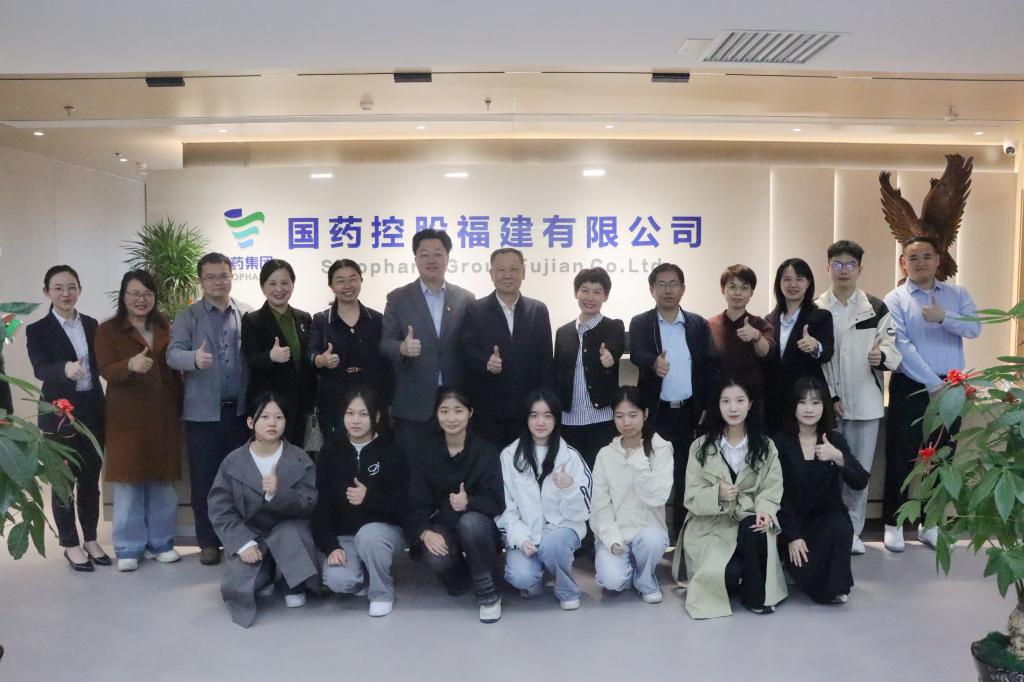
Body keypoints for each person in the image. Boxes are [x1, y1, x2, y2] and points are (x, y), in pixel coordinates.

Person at [882, 236, 980, 552]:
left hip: (951, 386)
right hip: (911, 386)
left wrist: (944, 318)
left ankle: (931, 524)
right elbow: (902, 346)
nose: (921, 262)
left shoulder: (957, 295)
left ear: (938, 260)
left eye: (927, 256)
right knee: (902, 455)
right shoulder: (895, 299)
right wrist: (931, 384)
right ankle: (894, 524)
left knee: (942, 456)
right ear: (903, 263)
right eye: (913, 258)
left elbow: (974, 328)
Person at [167, 252, 253, 566]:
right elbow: (172, 354)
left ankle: (239, 540)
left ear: (232, 277)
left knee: (241, 481)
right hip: (203, 415)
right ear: (201, 280)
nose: (218, 282)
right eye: (211, 277)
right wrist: (193, 358)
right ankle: (208, 542)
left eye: (223, 275)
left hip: (240, 413)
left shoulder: (247, 313)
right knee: (204, 482)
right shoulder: (188, 316)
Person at [815, 241, 901, 555]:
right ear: (828, 267)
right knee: (827, 470)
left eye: (850, 264)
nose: (843, 270)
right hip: (828, 407)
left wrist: (883, 356)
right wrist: (830, 397)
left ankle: (852, 531)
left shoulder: (875, 307)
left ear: (860, 269)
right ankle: (830, 528)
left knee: (858, 472)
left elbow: (892, 349)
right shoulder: (816, 309)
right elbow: (816, 361)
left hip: (866, 404)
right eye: (837, 264)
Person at [94, 270, 183, 572]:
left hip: (163, 416)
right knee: (129, 485)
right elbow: (105, 369)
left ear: (154, 297)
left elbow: (174, 371)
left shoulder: (164, 326)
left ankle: (162, 543)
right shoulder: (108, 330)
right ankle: (128, 547)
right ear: (123, 296)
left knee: (162, 484)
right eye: (134, 293)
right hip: (126, 420)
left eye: (147, 293)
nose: (141, 299)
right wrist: (129, 365)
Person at [207, 393, 319, 627]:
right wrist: (242, 543)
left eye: (278, 417)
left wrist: (279, 493)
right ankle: (266, 571)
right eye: (265, 417)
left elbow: (310, 503)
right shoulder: (233, 462)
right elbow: (220, 508)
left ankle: (293, 582)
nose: (272, 423)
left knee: (290, 533)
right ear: (251, 422)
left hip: (288, 531)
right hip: (251, 535)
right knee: (237, 586)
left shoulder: (300, 458)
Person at [26, 265, 108, 571]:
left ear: (79, 290)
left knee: (90, 480)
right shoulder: (37, 329)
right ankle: (70, 544)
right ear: (47, 292)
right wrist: (64, 369)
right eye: (58, 288)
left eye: (71, 287)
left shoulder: (91, 324)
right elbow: (39, 368)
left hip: (92, 411)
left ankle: (91, 539)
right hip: (58, 414)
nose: (66, 293)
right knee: (63, 482)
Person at [683, 377, 786, 618]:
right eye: (726, 401)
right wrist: (716, 495)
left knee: (757, 530)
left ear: (750, 404)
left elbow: (771, 488)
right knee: (724, 577)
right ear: (717, 405)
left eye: (740, 401)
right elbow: (691, 495)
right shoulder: (700, 447)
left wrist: (765, 510)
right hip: (711, 524)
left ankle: (756, 598)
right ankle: (736, 574)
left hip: (747, 515)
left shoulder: (766, 446)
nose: (733, 408)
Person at [404, 387, 505, 623]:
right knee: (435, 554)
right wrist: (424, 532)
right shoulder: (425, 452)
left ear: (470, 413)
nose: (451, 418)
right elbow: (415, 502)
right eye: (444, 411)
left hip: (480, 526)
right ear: (436, 414)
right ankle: (461, 579)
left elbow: (497, 501)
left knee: (471, 523)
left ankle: (489, 594)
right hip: (443, 524)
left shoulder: (486, 452)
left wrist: (469, 502)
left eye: (458, 411)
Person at [628, 262, 715, 540]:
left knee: (686, 479)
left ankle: (682, 540)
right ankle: (650, 538)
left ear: (683, 289)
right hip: (656, 414)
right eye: (662, 284)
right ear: (652, 290)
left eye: (674, 284)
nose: (668, 290)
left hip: (689, 414)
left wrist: (706, 408)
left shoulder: (697, 324)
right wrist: (653, 363)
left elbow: (708, 367)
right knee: (652, 476)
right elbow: (636, 353)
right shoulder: (641, 322)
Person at [380, 229, 474, 463]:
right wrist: (402, 348)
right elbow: (385, 343)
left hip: (454, 399)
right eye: (424, 254)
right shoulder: (398, 298)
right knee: (413, 469)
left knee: (454, 466)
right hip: (414, 402)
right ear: (415, 259)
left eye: (438, 254)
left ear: (447, 257)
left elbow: (472, 345)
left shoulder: (465, 299)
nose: (431, 260)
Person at [313, 387, 407, 617]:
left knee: (369, 536)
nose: (355, 420)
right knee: (337, 580)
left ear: (376, 416)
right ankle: (365, 574)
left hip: (384, 533)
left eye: (363, 414)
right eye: (350, 413)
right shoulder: (330, 452)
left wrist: (369, 498)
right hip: (346, 536)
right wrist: (331, 546)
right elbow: (321, 507)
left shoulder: (392, 451)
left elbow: (404, 506)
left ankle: (382, 593)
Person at [776, 377, 869, 604]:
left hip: (827, 518)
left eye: (815, 403)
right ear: (793, 405)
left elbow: (860, 481)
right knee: (805, 575)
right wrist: (793, 536)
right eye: (802, 402)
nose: (809, 409)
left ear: (824, 406)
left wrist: (838, 457)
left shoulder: (834, 439)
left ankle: (834, 587)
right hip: (793, 522)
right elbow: (779, 496)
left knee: (839, 527)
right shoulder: (780, 442)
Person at [498, 388, 592, 610]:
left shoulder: (571, 456)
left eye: (547, 416)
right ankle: (541, 571)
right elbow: (506, 508)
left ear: (556, 419)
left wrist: (569, 487)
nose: (541, 422)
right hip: (527, 533)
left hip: (562, 529)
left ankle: (566, 588)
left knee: (553, 546)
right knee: (521, 578)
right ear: (526, 418)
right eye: (534, 415)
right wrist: (521, 538)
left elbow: (583, 512)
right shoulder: (509, 456)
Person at [461, 248, 553, 447]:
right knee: (491, 462)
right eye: (501, 270)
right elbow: (467, 350)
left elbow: (546, 360)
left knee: (526, 461)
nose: (507, 275)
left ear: (523, 273)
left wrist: (545, 404)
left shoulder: (538, 310)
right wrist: (486, 363)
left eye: (513, 269)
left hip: (528, 409)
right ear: (491, 274)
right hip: (488, 410)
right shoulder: (475, 309)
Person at [589, 386, 673, 604]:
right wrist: (612, 539)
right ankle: (627, 567)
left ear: (645, 413)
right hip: (617, 534)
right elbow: (599, 506)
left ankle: (645, 577)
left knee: (652, 540)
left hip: (648, 532)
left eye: (633, 415)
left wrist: (638, 461)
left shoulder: (661, 449)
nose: (626, 422)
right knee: (612, 581)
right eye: (620, 416)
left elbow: (658, 497)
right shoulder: (605, 454)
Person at [309, 259, 390, 438]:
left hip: (372, 401)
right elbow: (311, 354)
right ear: (331, 286)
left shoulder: (377, 319)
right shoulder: (321, 320)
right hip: (334, 403)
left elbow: (386, 362)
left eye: (353, 279)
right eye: (340, 281)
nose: (348, 285)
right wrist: (321, 360)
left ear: (361, 280)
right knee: (337, 450)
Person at [555, 267, 624, 472]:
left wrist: (610, 357)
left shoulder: (613, 327)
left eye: (597, 292)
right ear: (576, 293)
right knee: (572, 475)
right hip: (569, 419)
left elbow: (616, 347)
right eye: (584, 290)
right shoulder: (563, 332)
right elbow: (557, 373)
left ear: (605, 296)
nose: (590, 297)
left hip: (601, 418)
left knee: (602, 475)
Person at [241, 259, 313, 447]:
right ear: (263, 287)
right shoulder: (252, 320)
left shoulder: (304, 318)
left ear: (292, 285)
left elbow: (307, 360)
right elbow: (251, 360)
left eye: (284, 283)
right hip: (270, 406)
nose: (279, 289)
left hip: (301, 405)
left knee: (299, 456)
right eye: (272, 283)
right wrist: (270, 357)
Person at [764, 258, 834, 435]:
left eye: (799, 279)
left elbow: (827, 352)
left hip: (806, 401)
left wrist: (815, 346)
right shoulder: (768, 320)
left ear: (808, 283)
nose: (793, 284)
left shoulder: (821, 316)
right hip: (774, 404)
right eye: (787, 279)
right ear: (779, 283)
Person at [707, 264, 775, 401]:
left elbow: (766, 352)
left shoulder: (761, 325)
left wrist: (756, 336)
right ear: (723, 289)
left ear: (751, 292)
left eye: (744, 288)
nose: (738, 293)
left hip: (752, 400)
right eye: (732, 287)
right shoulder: (709, 325)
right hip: (718, 400)